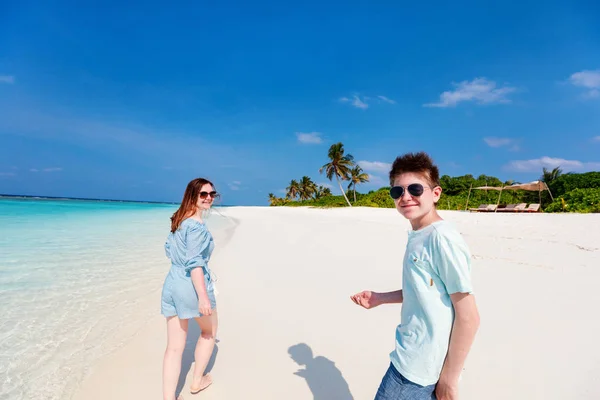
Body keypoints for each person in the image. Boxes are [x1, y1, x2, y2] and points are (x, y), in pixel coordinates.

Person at [351, 152, 480, 400]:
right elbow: (427, 290)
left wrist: (449, 381)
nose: (406, 197)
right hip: (416, 358)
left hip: (415, 369)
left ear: (436, 193)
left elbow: (469, 316)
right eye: (397, 192)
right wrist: (380, 298)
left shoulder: (440, 238)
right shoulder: (420, 234)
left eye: (415, 189)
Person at [161, 178, 219, 400]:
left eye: (212, 194)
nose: (208, 198)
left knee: (174, 347)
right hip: (190, 286)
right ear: (192, 196)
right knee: (209, 331)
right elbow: (194, 263)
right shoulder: (196, 226)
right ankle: (196, 381)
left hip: (172, 282)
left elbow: (169, 250)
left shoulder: (179, 221)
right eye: (203, 194)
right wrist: (203, 297)